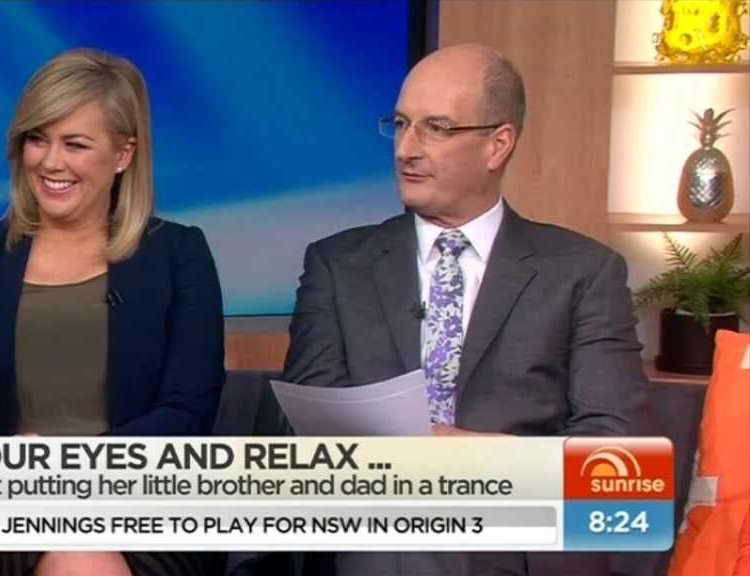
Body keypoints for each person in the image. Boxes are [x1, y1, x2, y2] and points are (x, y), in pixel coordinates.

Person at [230, 42, 651, 576]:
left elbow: (618, 455)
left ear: (498, 145)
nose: (407, 148)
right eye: (401, 125)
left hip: (513, 543)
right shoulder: (337, 265)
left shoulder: (582, 272)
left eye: (436, 128)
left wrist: (466, 460)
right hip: (373, 537)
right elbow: (305, 429)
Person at [0, 47, 227, 576]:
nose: (51, 162)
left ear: (123, 153)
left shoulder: (178, 255)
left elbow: (186, 416)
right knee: (78, 556)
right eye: (37, 139)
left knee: (83, 555)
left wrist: (66, 468)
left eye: (75, 144)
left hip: (143, 507)